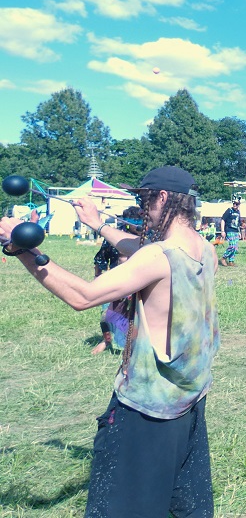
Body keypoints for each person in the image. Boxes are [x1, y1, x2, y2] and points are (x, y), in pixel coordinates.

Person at [0, 165, 219, 516]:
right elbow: (143, 249)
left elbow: (83, 297)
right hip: (188, 397)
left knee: (123, 506)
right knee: (182, 502)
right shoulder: (203, 248)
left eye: (144, 199)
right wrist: (96, 223)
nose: (143, 207)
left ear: (162, 198)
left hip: (146, 407)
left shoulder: (157, 256)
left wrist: (20, 247)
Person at [90, 206, 143, 355]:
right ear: (126, 222)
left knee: (135, 314)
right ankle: (106, 341)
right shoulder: (114, 237)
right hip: (114, 280)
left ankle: (132, 343)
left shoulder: (147, 237)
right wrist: (97, 277)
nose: (138, 226)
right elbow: (100, 259)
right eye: (135, 222)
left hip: (138, 281)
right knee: (107, 314)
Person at [220, 194, 242, 266]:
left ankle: (231, 261)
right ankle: (223, 257)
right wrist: (222, 231)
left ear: (239, 204)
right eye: (234, 203)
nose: (235, 205)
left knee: (235, 247)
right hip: (229, 230)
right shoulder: (229, 210)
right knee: (232, 245)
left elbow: (238, 223)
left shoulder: (238, 212)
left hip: (236, 231)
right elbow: (223, 220)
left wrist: (239, 232)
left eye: (236, 204)